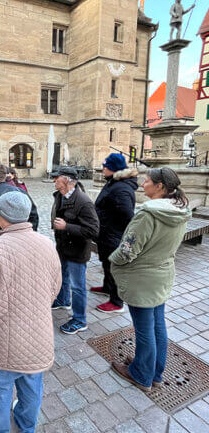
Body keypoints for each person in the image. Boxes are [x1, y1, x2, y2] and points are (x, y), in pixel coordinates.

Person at [0, 191, 61, 433]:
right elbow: (55, 286)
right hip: (38, 333)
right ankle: (27, 425)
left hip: (2, 337)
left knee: (0, 387)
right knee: (32, 383)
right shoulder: (47, 243)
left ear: (1, 217)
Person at [109, 167, 191, 391]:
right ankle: (154, 371)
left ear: (160, 187)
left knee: (145, 329)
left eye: (146, 181)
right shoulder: (180, 210)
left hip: (142, 279)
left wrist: (112, 261)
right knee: (157, 326)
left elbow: (127, 251)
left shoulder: (148, 214)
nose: (142, 184)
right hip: (162, 275)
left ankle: (142, 375)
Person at [51, 166, 99, 334]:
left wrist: (67, 226)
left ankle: (80, 320)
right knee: (62, 275)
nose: (54, 180)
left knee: (77, 286)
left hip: (77, 251)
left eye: (56, 177)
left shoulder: (83, 201)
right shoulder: (60, 195)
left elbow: (93, 231)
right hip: (63, 247)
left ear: (67, 180)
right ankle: (63, 300)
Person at [91, 153, 138, 313]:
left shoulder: (121, 188)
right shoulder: (113, 182)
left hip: (113, 235)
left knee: (114, 267)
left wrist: (114, 230)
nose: (102, 169)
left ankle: (116, 302)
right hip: (106, 233)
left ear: (113, 169)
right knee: (106, 262)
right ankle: (107, 287)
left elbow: (127, 216)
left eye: (105, 166)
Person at [0, 161, 38, 242]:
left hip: (1, 243)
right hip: (24, 240)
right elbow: (34, 217)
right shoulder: (21, 192)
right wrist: (28, 237)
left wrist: (2, 243)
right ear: (4, 176)